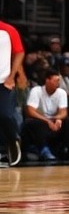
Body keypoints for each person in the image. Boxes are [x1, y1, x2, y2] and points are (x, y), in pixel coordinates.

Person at [22, 68, 69, 161]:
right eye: (56, 80)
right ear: (47, 80)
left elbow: (63, 112)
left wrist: (57, 119)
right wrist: (47, 120)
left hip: (53, 120)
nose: (58, 83)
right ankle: (44, 150)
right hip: (40, 120)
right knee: (33, 123)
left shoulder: (61, 92)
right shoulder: (36, 90)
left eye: (59, 80)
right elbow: (30, 111)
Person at [0, 20, 25, 167]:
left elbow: (19, 52)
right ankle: (3, 151)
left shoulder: (8, 30)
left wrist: (12, 76)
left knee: (5, 115)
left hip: (3, 81)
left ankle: (12, 139)